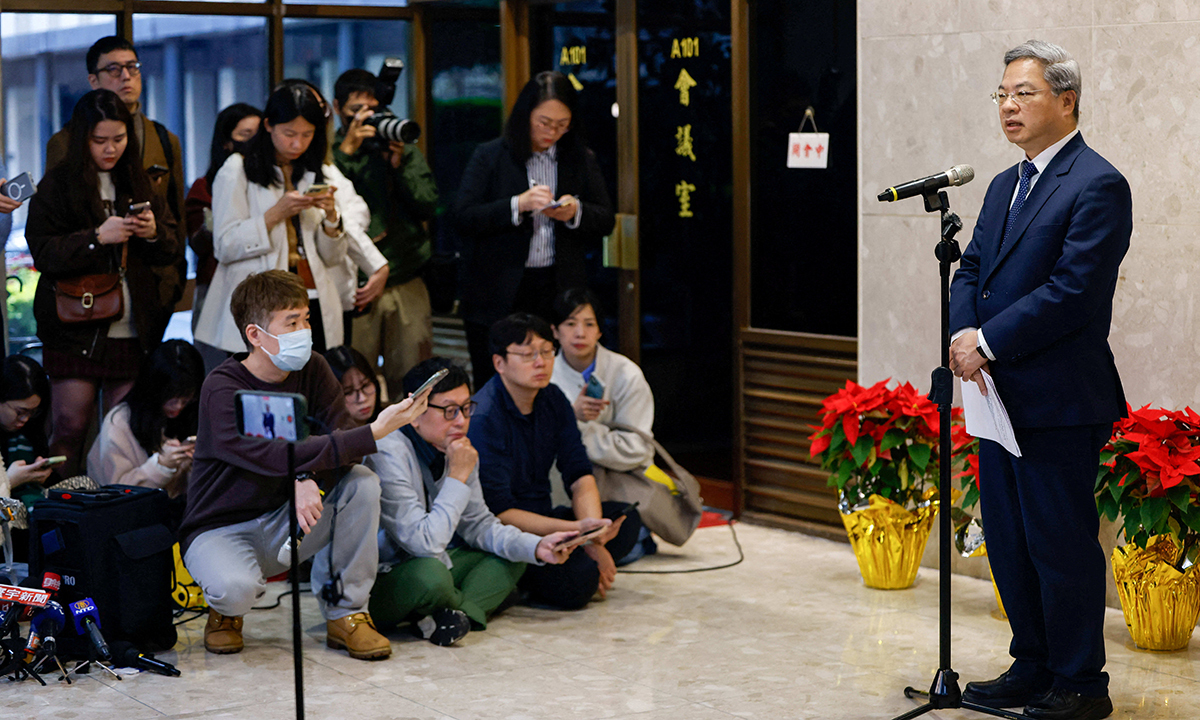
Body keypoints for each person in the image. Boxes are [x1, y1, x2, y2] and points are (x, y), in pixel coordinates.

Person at [949, 40, 1130, 720]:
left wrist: (989, 341)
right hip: (997, 397)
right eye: (1001, 95)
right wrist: (966, 335)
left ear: (1066, 99)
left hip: (1057, 399)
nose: (1008, 106)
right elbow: (970, 270)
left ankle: (1082, 683)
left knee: (1060, 544)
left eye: (1021, 93)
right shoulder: (1003, 184)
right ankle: (1033, 664)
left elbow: (1074, 291)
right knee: (1010, 537)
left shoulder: (1097, 183)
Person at [179, 270, 431, 659]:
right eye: (291, 322)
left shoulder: (313, 368)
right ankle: (225, 614)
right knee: (236, 590)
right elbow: (262, 453)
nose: (304, 330)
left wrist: (306, 475)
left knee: (361, 483)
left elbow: (343, 441)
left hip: (289, 518)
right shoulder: (222, 386)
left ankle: (347, 614)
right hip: (222, 525)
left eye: (306, 319)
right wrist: (375, 431)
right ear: (254, 335)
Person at [366, 357, 583, 645]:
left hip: (436, 564)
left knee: (514, 554)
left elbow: (479, 525)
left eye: (466, 409)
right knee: (431, 575)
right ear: (415, 413)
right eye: (449, 411)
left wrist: (537, 545)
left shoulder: (458, 449)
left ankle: (445, 618)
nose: (461, 421)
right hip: (382, 582)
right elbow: (423, 544)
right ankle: (463, 610)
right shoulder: (388, 450)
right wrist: (457, 476)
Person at [26, 89, 180, 478]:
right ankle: (62, 513)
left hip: (132, 326)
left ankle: (115, 515)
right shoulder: (58, 184)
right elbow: (43, 252)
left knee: (123, 433)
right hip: (75, 326)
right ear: (82, 139)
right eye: (99, 141)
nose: (110, 149)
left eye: (119, 138)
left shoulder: (139, 181)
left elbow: (172, 249)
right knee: (70, 427)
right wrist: (96, 236)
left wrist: (151, 233)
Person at [468, 313, 642, 610]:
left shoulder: (552, 398)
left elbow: (579, 474)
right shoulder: (484, 417)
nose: (541, 362)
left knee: (626, 518)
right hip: (509, 534)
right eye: (527, 355)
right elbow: (500, 511)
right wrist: (579, 533)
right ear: (499, 363)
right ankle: (527, 578)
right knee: (579, 582)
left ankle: (566, 561)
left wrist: (592, 536)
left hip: (547, 518)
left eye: (547, 352)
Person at [454, 71, 614, 387]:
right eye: (544, 122)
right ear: (525, 115)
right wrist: (518, 204)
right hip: (498, 288)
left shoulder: (579, 159)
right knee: (497, 381)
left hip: (556, 285)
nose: (552, 132)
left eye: (562, 125)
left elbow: (605, 218)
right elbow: (463, 216)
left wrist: (574, 211)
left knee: (553, 380)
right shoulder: (491, 155)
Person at [194, 83, 367, 358]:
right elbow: (224, 246)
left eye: (307, 134)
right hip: (263, 307)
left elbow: (332, 258)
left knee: (316, 385)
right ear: (268, 125)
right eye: (289, 133)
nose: (297, 143)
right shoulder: (237, 168)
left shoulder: (316, 170)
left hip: (313, 301)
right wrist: (276, 214)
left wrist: (332, 220)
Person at [45, 36, 187, 316]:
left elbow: (176, 215)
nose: (126, 76)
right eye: (113, 69)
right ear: (93, 80)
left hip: (151, 287)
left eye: (133, 67)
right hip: (87, 286)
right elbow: (54, 223)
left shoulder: (163, 139)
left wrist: (174, 278)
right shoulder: (66, 142)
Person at [332, 69, 439, 391]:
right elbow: (327, 205)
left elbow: (428, 204)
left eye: (373, 111)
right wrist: (346, 153)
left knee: (413, 380)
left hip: (405, 273)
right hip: (357, 283)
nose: (367, 120)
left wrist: (400, 164)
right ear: (337, 108)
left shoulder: (400, 148)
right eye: (356, 111)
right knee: (353, 382)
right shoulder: (327, 154)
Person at [549, 288, 658, 563]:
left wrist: (576, 430)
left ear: (600, 331)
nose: (580, 334)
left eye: (589, 324)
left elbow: (638, 449)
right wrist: (570, 415)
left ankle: (636, 536)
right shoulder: (544, 374)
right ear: (555, 331)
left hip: (620, 483)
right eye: (570, 324)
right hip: (560, 487)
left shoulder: (626, 374)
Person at [187, 103, 262, 372]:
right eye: (245, 134)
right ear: (227, 142)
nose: (254, 142)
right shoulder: (204, 187)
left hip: (257, 292)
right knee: (217, 369)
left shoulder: (266, 182)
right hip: (217, 288)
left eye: (258, 133)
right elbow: (199, 244)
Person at [87, 339, 204, 500]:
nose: (178, 406)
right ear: (153, 390)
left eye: (185, 399)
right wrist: (161, 466)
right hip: (127, 515)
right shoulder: (119, 423)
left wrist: (196, 463)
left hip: (178, 512)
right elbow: (116, 493)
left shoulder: (193, 412)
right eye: (170, 398)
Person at [324, 345, 381, 426]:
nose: (362, 399)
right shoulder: (321, 438)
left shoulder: (393, 432)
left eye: (365, 385)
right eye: (348, 392)